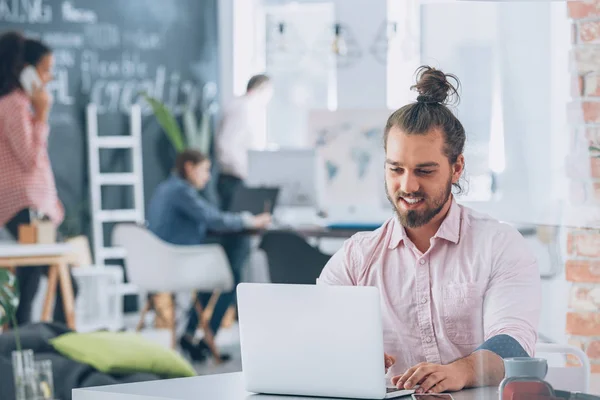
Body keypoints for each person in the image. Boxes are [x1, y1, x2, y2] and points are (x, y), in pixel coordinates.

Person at [317, 66, 541, 394]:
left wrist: (459, 372)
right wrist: (344, 353)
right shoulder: (357, 256)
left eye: (424, 170)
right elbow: (317, 332)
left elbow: (514, 344)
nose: (407, 185)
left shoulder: (499, 246)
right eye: (396, 169)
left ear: (457, 168)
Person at [147, 149, 271, 361]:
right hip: (177, 264)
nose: (207, 176)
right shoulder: (181, 192)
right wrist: (250, 221)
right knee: (232, 281)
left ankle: (190, 334)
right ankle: (207, 339)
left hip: (160, 264)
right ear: (189, 167)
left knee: (211, 282)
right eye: (205, 170)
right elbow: (213, 219)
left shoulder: (164, 189)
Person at [0, 31, 78, 326]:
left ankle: (22, 346)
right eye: (46, 70)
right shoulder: (15, 105)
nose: (50, 78)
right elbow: (31, 159)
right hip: (25, 204)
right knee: (65, 282)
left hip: (25, 205)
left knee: (29, 283)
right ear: (27, 70)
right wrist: (42, 113)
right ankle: (55, 346)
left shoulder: (12, 104)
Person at [215, 74, 273, 211]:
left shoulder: (248, 108)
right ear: (263, 89)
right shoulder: (243, 107)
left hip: (238, 178)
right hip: (235, 179)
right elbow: (225, 145)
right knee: (236, 226)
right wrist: (244, 173)